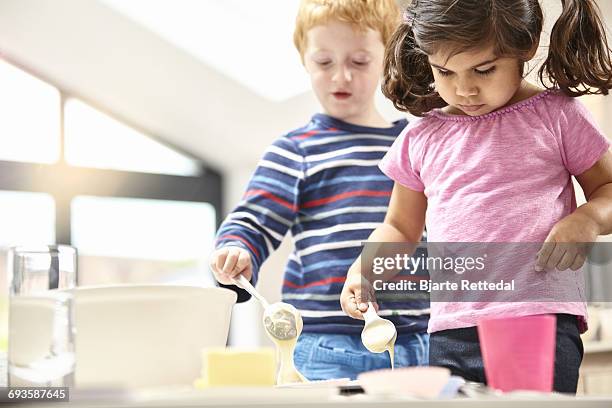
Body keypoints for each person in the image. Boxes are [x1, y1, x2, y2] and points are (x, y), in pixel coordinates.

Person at [340, 0, 612, 393]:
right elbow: (399, 227)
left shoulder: (558, 116)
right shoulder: (421, 137)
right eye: (444, 71)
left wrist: (587, 219)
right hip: (452, 330)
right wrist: (363, 271)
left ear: (527, 45)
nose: (464, 89)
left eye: (484, 70)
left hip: (536, 319)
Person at [209, 0, 430, 381]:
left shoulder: (414, 143)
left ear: (387, 57)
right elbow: (254, 222)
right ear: (305, 61)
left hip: (417, 342)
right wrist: (237, 248)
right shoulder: (296, 150)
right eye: (324, 62)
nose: (341, 77)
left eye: (359, 62)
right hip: (325, 346)